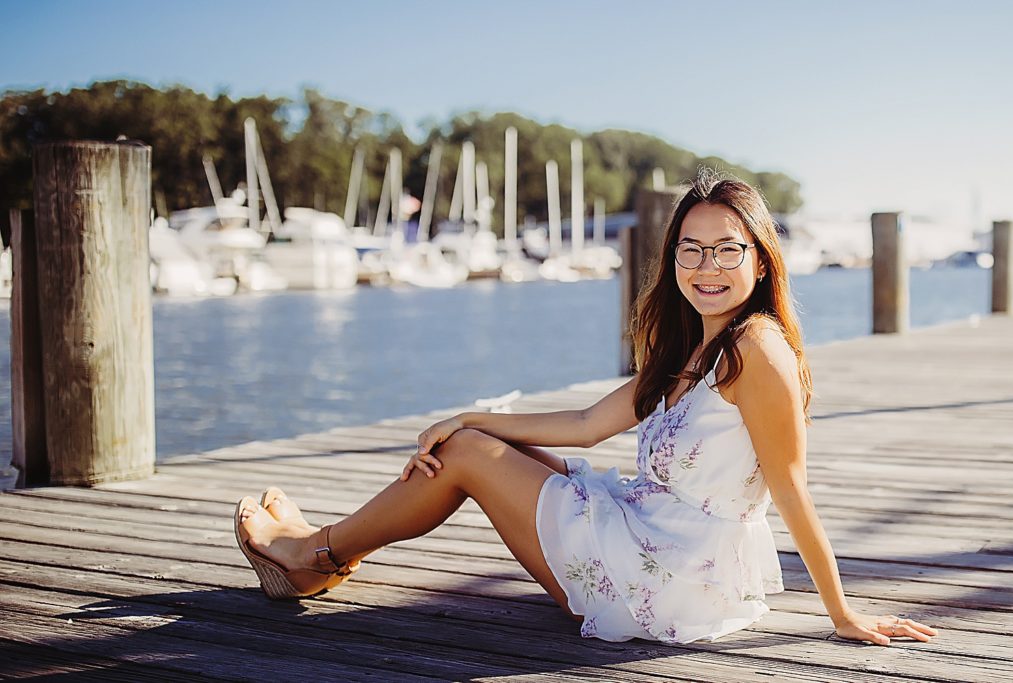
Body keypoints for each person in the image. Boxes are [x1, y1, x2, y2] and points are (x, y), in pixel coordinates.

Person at [234, 169, 938, 647]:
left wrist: (842, 613)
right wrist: (468, 415)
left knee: (470, 457)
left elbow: (792, 487)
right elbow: (585, 425)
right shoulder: (696, 345)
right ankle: (325, 551)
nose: (707, 267)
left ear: (761, 261)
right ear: (673, 260)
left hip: (666, 579)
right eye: (691, 249)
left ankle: (312, 554)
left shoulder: (757, 349)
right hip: (657, 542)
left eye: (729, 249)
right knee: (479, 444)